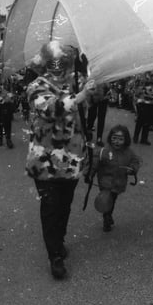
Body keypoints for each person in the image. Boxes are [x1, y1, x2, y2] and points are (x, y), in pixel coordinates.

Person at [25, 40, 90, 280]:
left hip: (71, 159)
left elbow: (95, 97)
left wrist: (94, 81)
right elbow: (50, 109)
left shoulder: (75, 82)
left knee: (64, 206)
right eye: (54, 62)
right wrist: (81, 96)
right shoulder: (36, 86)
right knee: (51, 208)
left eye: (64, 62)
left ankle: (59, 240)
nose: (59, 67)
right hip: (45, 162)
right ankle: (55, 256)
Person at [88, 124, 142, 232]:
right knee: (106, 199)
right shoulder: (104, 151)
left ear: (125, 140)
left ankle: (108, 214)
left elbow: (135, 161)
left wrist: (132, 169)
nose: (117, 141)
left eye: (120, 139)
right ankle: (106, 218)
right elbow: (94, 162)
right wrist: (89, 173)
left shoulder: (129, 152)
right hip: (105, 182)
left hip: (119, 182)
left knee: (112, 200)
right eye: (114, 138)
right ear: (110, 138)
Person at [132, 70, 153, 145]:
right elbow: (136, 85)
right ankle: (136, 136)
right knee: (140, 119)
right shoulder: (141, 73)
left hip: (152, 100)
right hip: (142, 99)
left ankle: (144, 138)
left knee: (148, 120)